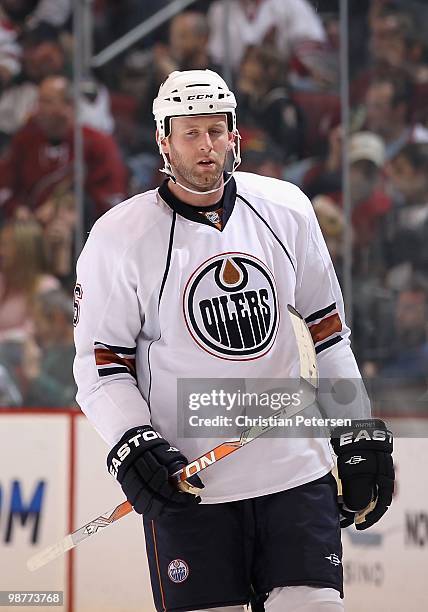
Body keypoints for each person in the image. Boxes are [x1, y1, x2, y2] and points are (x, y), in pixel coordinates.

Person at [73, 70, 395, 612]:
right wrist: (133, 442)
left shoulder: (287, 209)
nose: (207, 147)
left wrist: (355, 427)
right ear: (163, 140)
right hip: (194, 485)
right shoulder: (117, 238)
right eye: (191, 133)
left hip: (295, 468)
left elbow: (327, 332)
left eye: (217, 131)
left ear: (235, 134)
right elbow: (101, 364)